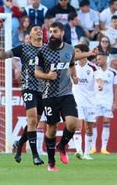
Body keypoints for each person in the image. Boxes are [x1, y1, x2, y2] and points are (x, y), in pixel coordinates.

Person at [0, 25, 45, 166]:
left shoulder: (47, 49)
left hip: (43, 90)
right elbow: (4, 55)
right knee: (33, 118)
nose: (39, 31)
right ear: (30, 35)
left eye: (40, 29)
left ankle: (19, 144)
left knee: (33, 123)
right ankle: (35, 156)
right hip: (28, 87)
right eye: (35, 30)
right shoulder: (23, 48)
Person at [34, 22, 78, 172]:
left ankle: (62, 145)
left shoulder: (70, 49)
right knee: (52, 129)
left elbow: (71, 65)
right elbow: (36, 72)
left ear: (62, 33)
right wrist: (47, 75)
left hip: (66, 94)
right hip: (49, 95)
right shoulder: (43, 51)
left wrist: (74, 76)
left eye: (55, 32)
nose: (51, 34)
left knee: (72, 123)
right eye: (50, 32)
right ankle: (51, 162)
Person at [71, 44, 101, 160]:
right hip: (77, 100)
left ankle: (87, 153)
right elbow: (71, 80)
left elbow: (99, 80)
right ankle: (78, 151)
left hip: (91, 102)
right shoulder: (72, 66)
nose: (75, 54)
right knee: (78, 126)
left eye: (77, 52)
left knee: (89, 128)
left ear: (84, 53)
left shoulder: (93, 67)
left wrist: (100, 85)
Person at [89, 51, 117, 156]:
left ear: (106, 59)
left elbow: (116, 88)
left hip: (107, 101)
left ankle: (104, 148)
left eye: (100, 59)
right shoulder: (94, 72)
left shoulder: (113, 72)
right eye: (97, 59)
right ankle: (93, 147)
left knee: (106, 122)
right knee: (94, 123)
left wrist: (115, 102)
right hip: (95, 100)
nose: (98, 61)